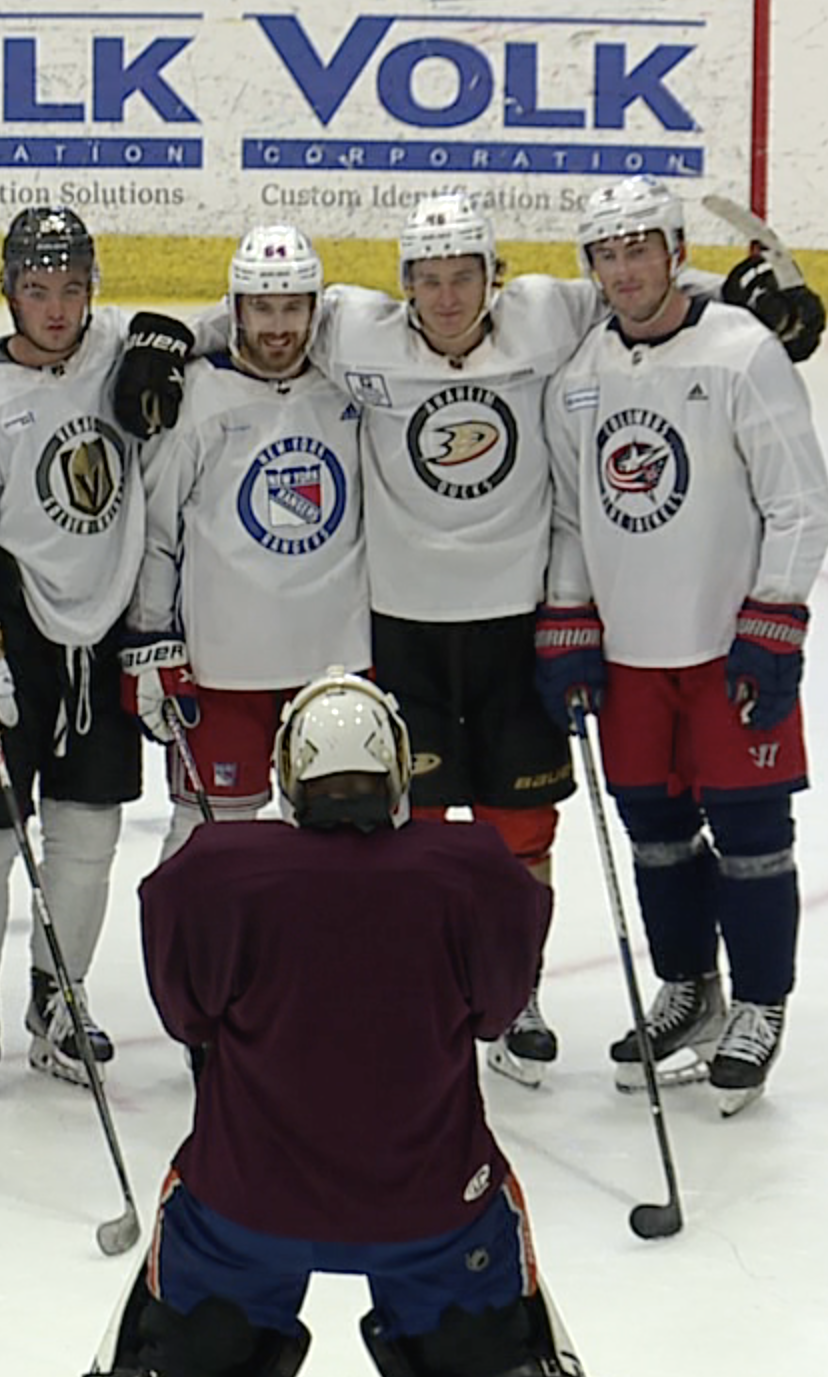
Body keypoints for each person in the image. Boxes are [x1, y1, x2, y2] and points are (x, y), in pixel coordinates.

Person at [130, 189, 823, 1089]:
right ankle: (423, 984)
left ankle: (522, 990)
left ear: (496, 277)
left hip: (517, 621)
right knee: (408, 827)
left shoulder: (552, 317)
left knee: (521, 830)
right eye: (428, 278)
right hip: (403, 626)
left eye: (465, 277)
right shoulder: (355, 333)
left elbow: (656, 300)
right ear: (402, 283)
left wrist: (736, 300)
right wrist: (161, 341)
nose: (448, 297)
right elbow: (262, 312)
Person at [75, 669, 610, 1377]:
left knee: (181, 1368)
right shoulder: (472, 872)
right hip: (436, 1209)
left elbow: (186, 1016)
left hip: (243, 1206)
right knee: (499, 1373)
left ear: (289, 777)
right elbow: (495, 1014)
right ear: (395, 774)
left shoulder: (214, 872)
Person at [542, 176, 828, 1116]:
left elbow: (798, 499)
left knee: (752, 837)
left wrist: (775, 619)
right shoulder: (581, 377)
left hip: (725, 646)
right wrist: (572, 622)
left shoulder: (744, 354)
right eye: (606, 255)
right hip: (630, 658)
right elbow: (576, 517)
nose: (624, 272)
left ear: (675, 252)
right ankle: (686, 990)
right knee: (655, 835)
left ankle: (758, 1005)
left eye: (640, 250)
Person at [0, 206, 148, 1091]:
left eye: (72, 288)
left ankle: (60, 995)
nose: (56, 308)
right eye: (38, 289)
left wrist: (168, 344)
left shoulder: (117, 354)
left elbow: (215, 330)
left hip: (105, 632)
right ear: (9, 291)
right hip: (7, 637)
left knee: (88, 837)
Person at [128, 224, 368, 863]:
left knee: (340, 848)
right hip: (221, 670)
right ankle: (196, 966)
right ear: (234, 309)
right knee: (208, 848)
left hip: (335, 666)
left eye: (293, 306)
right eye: (261, 307)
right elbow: (156, 532)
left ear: (316, 309)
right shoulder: (198, 397)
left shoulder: (352, 386)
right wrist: (151, 643)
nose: (278, 325)